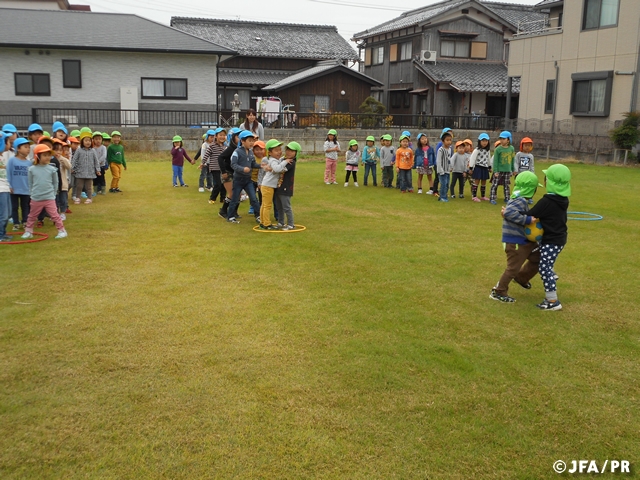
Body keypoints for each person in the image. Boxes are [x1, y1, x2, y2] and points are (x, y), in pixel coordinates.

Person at [490, 171, 542, 303]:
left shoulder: (519, 198)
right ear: (531, 189)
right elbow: (509, 212)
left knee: (539, 257)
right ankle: (499, 291)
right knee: (513, 268)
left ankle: (522, 278)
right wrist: (527, 220)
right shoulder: (518, 200)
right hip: (516, 242)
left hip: (524, 241)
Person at [527, 164, 571, 311]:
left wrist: (509, 213)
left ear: (549, 182)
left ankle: (552, 301)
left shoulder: (547, 201)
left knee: (544, 268)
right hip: (560, 239)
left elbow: (530, 214)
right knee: (543, 263)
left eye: (546, 178)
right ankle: (551, 273)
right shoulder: (563, 199)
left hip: (551, 240)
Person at [21, 144, 67, 240]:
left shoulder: (52, 169)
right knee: (32, 216)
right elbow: (30, 183)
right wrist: (32, 193)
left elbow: (55, 183)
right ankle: (28, 231)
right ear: (37, 156)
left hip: (49, 198)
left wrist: (53, 193)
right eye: (44, 155)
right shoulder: (32, 169)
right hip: (36, 198)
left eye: (48, 155)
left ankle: (62, 231)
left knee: (55, 215)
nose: (47, 157)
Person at [227, 130, 261, 224]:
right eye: (249, 140)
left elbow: (253, 164)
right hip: (238, 180)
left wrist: (261, 165)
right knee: (235, 199)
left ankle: (258, 216)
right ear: (242, 141)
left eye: (252, 141)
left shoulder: (250, 153)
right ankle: (230, 217)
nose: (251, 143)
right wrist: (242, 169)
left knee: (253, 198)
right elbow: (233, 164)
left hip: (248, 180)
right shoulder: (236, 152)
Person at [259, 139, 291, 230]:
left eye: (280, 149)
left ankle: (262, 222)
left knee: (264, 205)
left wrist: (283, 159)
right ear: (269, 152)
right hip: (268, 186)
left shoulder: (274, 160)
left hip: (266, 186)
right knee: (267, 205)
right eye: (276, 150)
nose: (279, 152)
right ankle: (266, 224)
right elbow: (277, 169)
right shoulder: (273, 161)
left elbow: (278, 163)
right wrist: (286, 161)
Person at [6, 138, 33, 230]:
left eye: (29, 147)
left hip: (25, 189)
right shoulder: (11, 160)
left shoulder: (29, 163)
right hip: (14, 189)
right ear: (18, 148)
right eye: (25, 147)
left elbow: (30, 176)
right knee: (14, 207)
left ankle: (25, 221)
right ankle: (16, 223)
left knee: (25, 206)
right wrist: (9, 185)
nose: (28, 149)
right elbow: (8, 173)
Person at [275, 142, 300, 231]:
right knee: (279, 206)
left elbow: (281, 169)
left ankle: (291, 224)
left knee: (286, 207)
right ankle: (281, 222)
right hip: (279, 186)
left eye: (292, 151)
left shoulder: (291, 162)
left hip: (286, 187)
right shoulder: (284, 159)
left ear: (296, 153)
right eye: (288, 150)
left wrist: (273, 168)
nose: (289, 152)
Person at [217, 128, 241, 219]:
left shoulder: (241, 149)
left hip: (235, 173)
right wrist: (223, 171)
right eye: (238, 137)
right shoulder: (231, 148)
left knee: (238, 194)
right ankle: (223, 211)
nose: (240, 139)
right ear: (233, 137)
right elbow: (220, 158)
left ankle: (234, 212)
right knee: (231, 193)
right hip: (227, 173)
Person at [72, 131, 100, 204]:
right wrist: (72, 168)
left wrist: (98, 170)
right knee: (79, 186)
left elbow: (96, 161)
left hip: (90, 172)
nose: (88, 142)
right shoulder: (79, 150)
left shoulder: (93, 150)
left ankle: (89, 198)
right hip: (80, 171)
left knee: (89, 187)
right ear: (82, 141)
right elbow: (74, 159)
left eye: (89, 141)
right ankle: (78, 197)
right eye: (86, 140)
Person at [490, 131, 515, 205]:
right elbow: (496, 161)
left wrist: (513, 169)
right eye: (500, 138)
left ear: (508, 140)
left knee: (506, 185)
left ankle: (507, 198)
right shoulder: (498, 149)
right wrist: (496, 171)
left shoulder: (511, 149)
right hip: (499, 171)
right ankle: (492, 198)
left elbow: (513, 159)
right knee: (494, 184)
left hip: (507, 170)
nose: (501, 140)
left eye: (503, 139)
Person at [203, 128, 226, 204]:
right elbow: (206, 155)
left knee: (224, 184)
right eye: (220, 135)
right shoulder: (212, 146)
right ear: (216, 136)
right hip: (214, 168)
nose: (222, 137)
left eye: (223, 135)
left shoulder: (224, 146)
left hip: (222, 168)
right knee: (218, 184)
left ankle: (223, 198)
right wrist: (203, 163)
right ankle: (212, 198)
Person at [469, 133, 492, 202]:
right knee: (477, 181)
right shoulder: (477, 150)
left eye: (486, 141)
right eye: (483, 141)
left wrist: (489, 166)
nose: (485, 143)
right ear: (479, 141)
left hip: (485, 167)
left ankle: (483, 196)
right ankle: (474, 196)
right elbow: (472, 158)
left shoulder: (487, 150)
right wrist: (471, 167)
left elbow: (488, 159)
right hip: (478, 167)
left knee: (484, 182)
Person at [515, 137, 535, 204]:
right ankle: (517, 197)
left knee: (528, 187)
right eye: (525, 145)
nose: (527, 147)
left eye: (529, 146)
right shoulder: (518, 154)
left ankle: (529, 198)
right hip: (519, 174)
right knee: (518, 186)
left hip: (528, 175)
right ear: (522, 146)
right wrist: (516, 171)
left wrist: (532, 174)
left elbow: (532, 165)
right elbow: (516, 162)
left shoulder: (531, 156)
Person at [0, 133, 12, 242]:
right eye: (7, 142)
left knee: (8, 213)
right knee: (3, 215)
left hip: (6, 188)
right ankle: (0, 235)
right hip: (1, 190)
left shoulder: (3, 157)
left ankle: (3, 233)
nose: (9, 144)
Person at [436, 130, 453, 202]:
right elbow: (438, 161)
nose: (449, 142)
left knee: (447, 184)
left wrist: (451, 167)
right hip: (442, 171)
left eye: (450, 140)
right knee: (443, 184)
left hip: (447, 170)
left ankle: (444, 195)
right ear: (443, 141)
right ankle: (442, 197)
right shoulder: (441, 150)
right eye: (447, 140)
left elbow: (449, 159)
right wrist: (440, 170)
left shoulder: (449, 149)